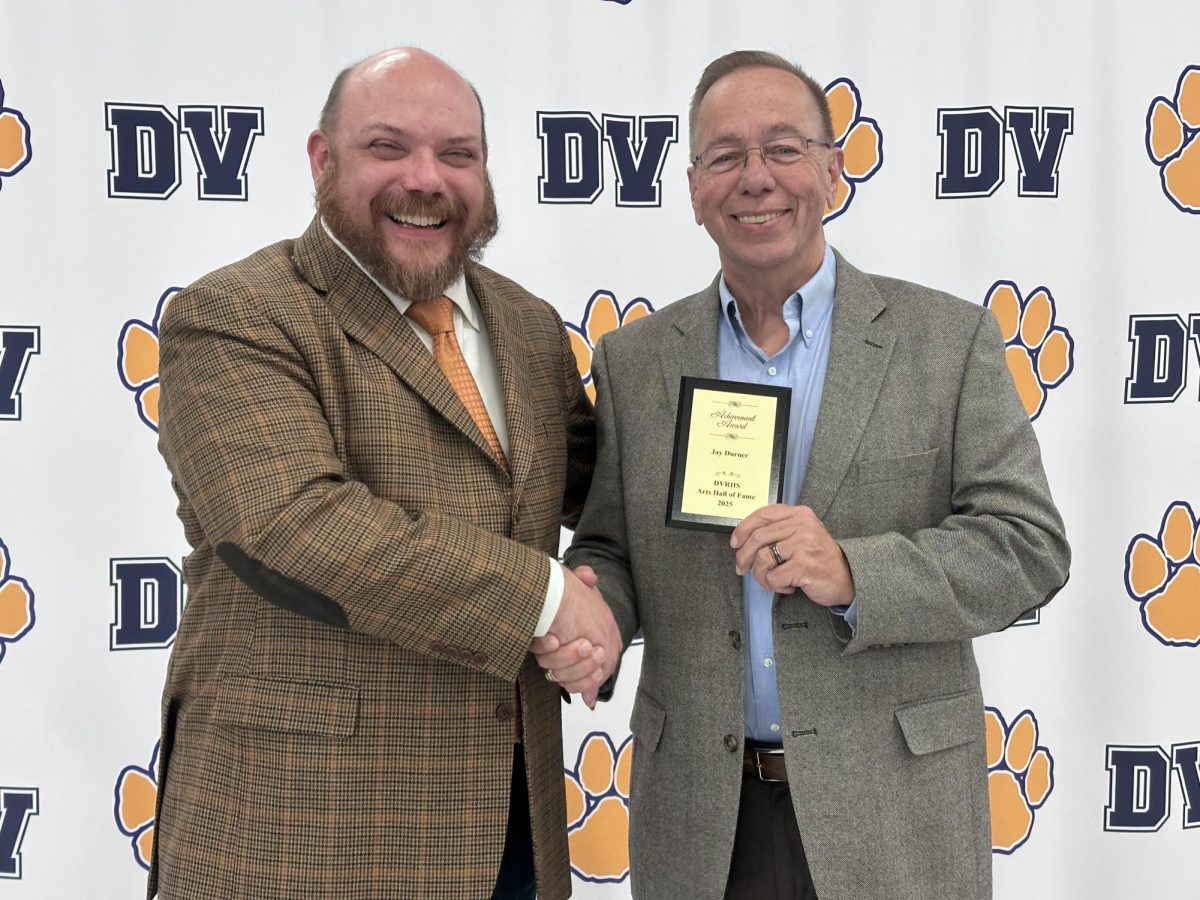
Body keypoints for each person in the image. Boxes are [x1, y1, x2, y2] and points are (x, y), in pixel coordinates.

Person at [534, 50, 1070, 899]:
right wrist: (593, 624)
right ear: (692, 186)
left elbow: (1028, 550)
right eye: (725, 155)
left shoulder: (946, 341)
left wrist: (856, 570)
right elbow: (615, 544)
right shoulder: (635, 363)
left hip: (894, 809)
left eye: (784, 149)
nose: (756, 178)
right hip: (702, 817)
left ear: (832, 168)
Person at [150, 47, 619, 900]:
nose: (426, 178)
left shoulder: (528, 325)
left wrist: (610, 610)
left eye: (458, 154)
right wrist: (551, 602)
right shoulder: (235, 316)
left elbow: (606, 505)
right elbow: (294, 528)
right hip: (303, 834)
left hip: (512, 828)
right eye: (387, 147)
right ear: (323, 160)